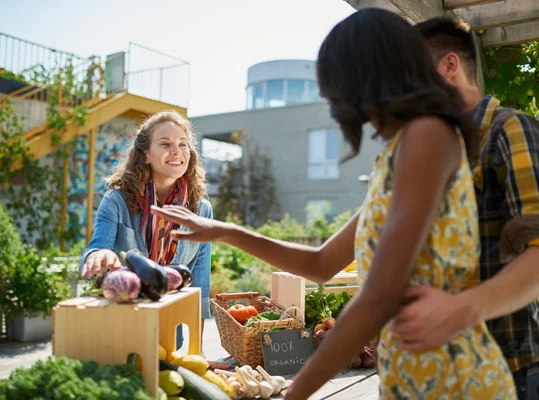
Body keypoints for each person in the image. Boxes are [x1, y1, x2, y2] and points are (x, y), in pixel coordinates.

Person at [151, 9, 516, 399]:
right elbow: (322, 264)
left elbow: (379, 295)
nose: (330, 97)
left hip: (456, 381)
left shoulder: (427, 136)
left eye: (334, 83)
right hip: (411, 380)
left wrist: (294, 394)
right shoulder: (400, 152)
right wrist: (225, 232)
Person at [389, 17, 539, 399]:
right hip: (451, 367)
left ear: (449, 66)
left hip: (514, 369)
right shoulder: (438, 153)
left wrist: (457, 310)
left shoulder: (511, 129)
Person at [78, 111, 224, 366]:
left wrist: (196, 354)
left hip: (172, 331)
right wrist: (97, 256)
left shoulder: (202, 210)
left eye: (182, 144)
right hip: (125, 320)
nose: (176, 151)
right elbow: (97, 248)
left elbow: (199, 285)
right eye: (165, 144)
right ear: (146, 154)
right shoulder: (117, 201)